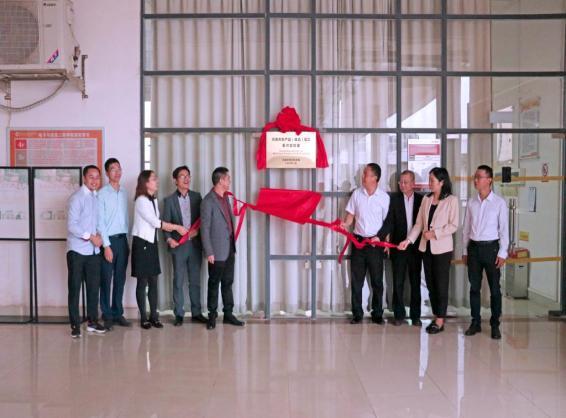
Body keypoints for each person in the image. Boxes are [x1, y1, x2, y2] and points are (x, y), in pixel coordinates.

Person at [399, 167, 459, 334]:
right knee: (431, 284)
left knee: (441, 284)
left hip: (442, 249)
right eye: (429, 179)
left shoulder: (452, 200)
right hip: (426, 248)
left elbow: (454, 225)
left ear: (442, 182)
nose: (429, 183)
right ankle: (437, 315)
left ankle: (440, 320)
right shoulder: (426, 199)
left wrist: (435, 233)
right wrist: (408, 241)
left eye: (432, 180)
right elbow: (419, 224)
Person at [131, 170, 187, 329]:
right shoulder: (141, 200)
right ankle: (143, 317)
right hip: (141, 243)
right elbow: (155, 222)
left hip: (152, 243)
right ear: (145, 183)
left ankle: (154, 316)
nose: (157, 181)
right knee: (142, 282)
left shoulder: (153, 200)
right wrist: (177, 227)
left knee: (153, 281)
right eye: (153, 179)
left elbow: (156, 222)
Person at [463, 165, 509, 340]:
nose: (476, 180)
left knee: (495, 289)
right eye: (475, 177)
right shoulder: (471, 202)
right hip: (474, 249)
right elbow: (466, 229)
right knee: (474, 288)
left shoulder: (499, 203)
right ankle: (475, 321)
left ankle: (495, 323)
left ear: (489, 180)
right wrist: (465, 250)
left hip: (491, 249)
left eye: (479, 177)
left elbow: (504, 230)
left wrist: (503, 253)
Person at [341, 163, 390, 324]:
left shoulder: (384, 197)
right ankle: (357, 313)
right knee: (357, 281)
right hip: (358, 243)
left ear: (375, 178)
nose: (363, 177)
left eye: (366, 174)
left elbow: (387, 223)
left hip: (375, 244)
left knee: (377, 281)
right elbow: (350, 216)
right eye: (363, 174)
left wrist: (385, 242)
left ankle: (377, 314)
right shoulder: (357, 194)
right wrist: (344, 224)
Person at [162, 165, 207, 326]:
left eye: (188, 175)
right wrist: (169, 240)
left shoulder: (197, 197)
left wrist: (198, 231)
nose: (187, 178)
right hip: (178, 246)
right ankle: (179, 314)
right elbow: (165, 224)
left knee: (195, 281)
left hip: (195, 245)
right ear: (175, 180)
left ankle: (197, 312)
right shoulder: (169, 200)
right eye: (182, 176)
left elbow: (203, 220)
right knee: (178, 281)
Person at [201, 167, 245, 330]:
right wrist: (209, 251)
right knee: (214, 283)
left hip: (229, 249)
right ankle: (212, 316)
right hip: (216, 251)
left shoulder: (226, 198)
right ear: (220, 180)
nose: (230, 181)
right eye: (228, 178)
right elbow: (204, 228)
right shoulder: (208, 201)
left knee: (227, 282)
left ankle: (228, 314)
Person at [67, 165, 105, 338]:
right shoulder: (77, 198)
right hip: (77, 251)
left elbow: (97, 223)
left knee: (93, 288)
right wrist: (90, 237)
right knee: (75, 288)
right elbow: (72, 225)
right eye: (91, 177)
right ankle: (75, 325)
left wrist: (100, 237)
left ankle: (92, 322)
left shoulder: (96, 197)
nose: (94, 180)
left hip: (93, 252)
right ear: (84, 178)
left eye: (97, 177)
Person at [384, 170, 424, 326]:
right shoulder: (394, 200)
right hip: (398, 247)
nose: (402, 185)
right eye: (400, 182)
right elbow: (389, 222)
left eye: (406, 182)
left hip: (415, 248)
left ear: (413, 183)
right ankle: (399, 315)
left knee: (415, 283)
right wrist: (386, 240)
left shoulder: (422, 200)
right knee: (398, 282)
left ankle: (416, 316)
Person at [97, 158, 131, 330]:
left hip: (123, 240)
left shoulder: (124, 192)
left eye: (119, 168)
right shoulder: (102, 193)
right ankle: (107, 314)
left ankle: (118, 313)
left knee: (120, 279)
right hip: (109, 242)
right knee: (106, 279)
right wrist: (106, 246)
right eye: (113, 169)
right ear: (107, 173)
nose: (117, 172)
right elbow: (100, 222)